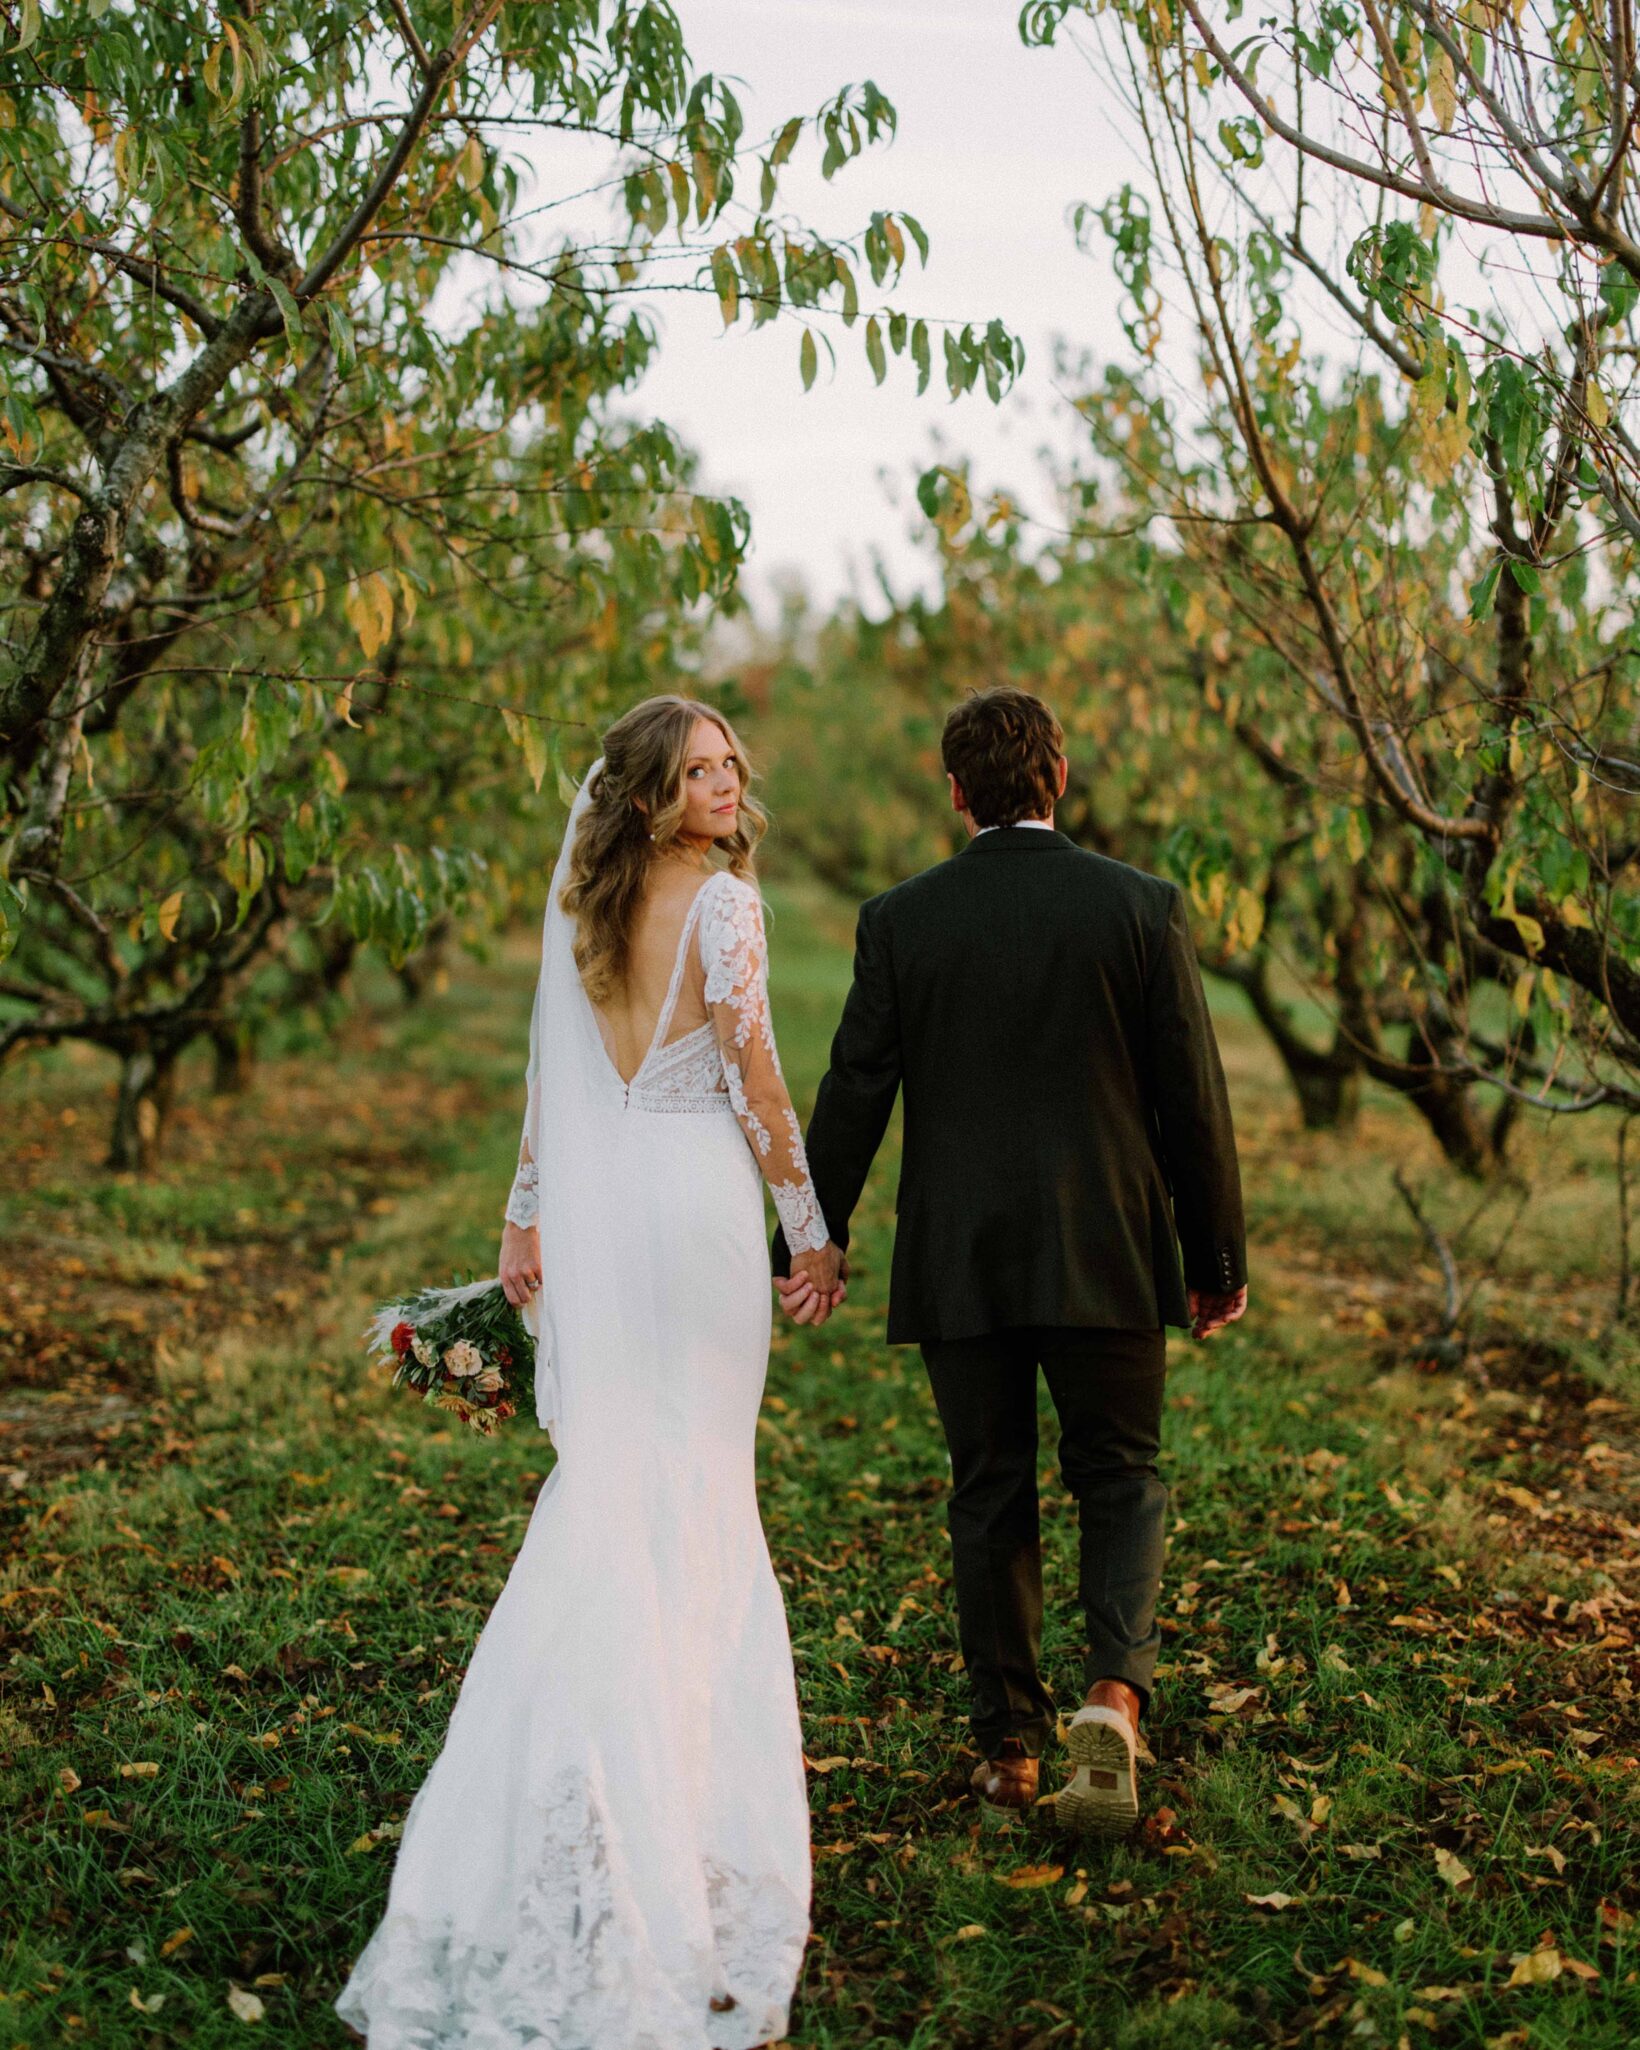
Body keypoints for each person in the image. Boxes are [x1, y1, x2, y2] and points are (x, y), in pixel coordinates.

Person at [336, 696, 843, 2050]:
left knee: (615, 1482)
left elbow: (545, 1085)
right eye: (699, 769)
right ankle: (669, 1817)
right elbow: (761, 1086)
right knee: (692, 1495)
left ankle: (581, 1790)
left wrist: (527, 1214)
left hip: (609, 1217)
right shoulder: (725, 910)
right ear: (646, 796)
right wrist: (814, 1232)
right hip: (692, 1218)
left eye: (735, 759)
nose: (730, 781)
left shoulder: (583, 914)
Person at [775, 685, 1247, 1837]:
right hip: (1107, 1241)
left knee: (989, 1491)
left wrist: (809, 1233)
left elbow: (853, 1090)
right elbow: (1193, 1096)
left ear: (954, 793)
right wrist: (1214, 1251)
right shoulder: (1138, 907)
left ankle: (1007, 1755)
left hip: (962, 1255)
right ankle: (1111, 1695)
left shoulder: (902, 918)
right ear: (1061, 777)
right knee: (1119, 1471)